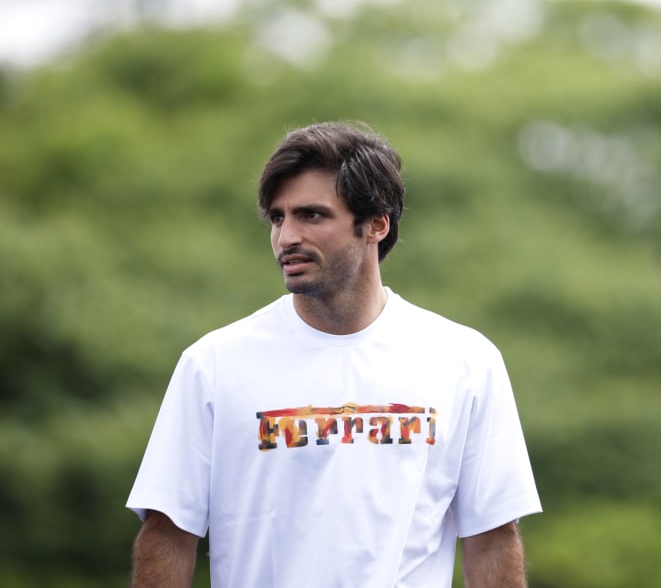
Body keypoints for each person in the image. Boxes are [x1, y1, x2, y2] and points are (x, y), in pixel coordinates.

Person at [126, 121, 542, 587]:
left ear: (376, 224)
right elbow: (167, 533)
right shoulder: (214, 364)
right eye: (278, 218)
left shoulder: (464, 360)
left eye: (312, 215)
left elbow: (491, 538)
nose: (286, 238)